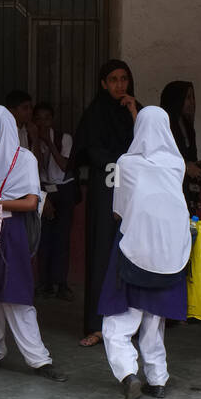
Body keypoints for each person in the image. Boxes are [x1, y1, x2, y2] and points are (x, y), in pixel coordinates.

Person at [99, 107, 192, 399]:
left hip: (135, 249)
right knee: (154, 317)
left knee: (120, 317)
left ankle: (128, 374)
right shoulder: (177, 162)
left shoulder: (127, 162)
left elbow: (119, 211)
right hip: (171, 253)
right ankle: (158, 378)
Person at [0, 106, 67, 383]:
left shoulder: (24, 159)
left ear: (2, 128)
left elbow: (30, 201)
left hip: (12, 229)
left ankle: (39, 358)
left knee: (17, 295)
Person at [72, 59, 139, 348]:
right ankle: (97, 325)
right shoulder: (95, 114)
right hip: (105, 190)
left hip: (134, 190)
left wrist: (136, 113)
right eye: (113, 79)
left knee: (132, 253)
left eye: (124, 79)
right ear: (103, 83)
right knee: (102, 253)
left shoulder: (135, 111)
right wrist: (123, 164)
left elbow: (148, 142)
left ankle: (128, 325)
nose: (119, 85)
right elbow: (93, 151)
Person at [30, 102, 76, 300]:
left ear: (52, 120)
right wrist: (37, 143)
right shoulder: (31, 140)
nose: (42, 123)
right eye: (38, 119)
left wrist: (49, 143)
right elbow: (36, 166)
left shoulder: (64, 138)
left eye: (46, 118)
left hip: (64, 188)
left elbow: (64, 165)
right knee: (44, 237)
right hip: (43, 188)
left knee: (62, 237)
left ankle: (61, 283)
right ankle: (44, 283)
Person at [159, 81, 201, 217]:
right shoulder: (163, 126)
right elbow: (160, 157)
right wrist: (186, 167)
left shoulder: (185, 125)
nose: (192, 102)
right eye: (187, 97)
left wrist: (196, 166)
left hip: (186, 188)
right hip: (169, 190)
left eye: (193, 97)